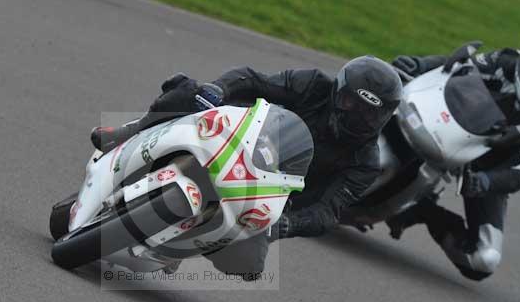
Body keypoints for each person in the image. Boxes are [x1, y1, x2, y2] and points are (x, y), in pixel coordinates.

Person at [91, 56, 403, 279]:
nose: (358, 117)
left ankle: (179, 246)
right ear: (339, 92)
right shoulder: (313, 85)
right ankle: (130, 132)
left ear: (385, 116)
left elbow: (327, 212)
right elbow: (253, 79)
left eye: (370, 114)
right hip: (243, 141)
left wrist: (286, 226)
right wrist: (218, 90)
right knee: (188, 89)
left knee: (246, 264)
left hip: (270, 197)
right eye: (352, 104)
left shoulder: (366, 163)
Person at [388, 31, 520, 281]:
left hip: (492, 168)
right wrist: (421, 64)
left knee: (483, 259)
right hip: (460, 128)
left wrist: (487, 181)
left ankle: (423, 210)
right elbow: (456, 67)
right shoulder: (504, 62)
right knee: (399, 107)